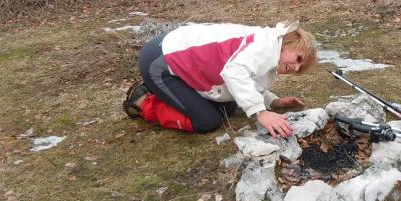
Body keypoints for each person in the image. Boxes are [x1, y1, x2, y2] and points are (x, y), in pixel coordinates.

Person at [123, 21, 317, 138]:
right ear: (288, 42)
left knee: (228, 107)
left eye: (299, 69)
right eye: (298, 58)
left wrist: (272, 101)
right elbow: (235, 72)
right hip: (160, 61)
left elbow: (248, 78)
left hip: (176, 58)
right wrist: (261, 112)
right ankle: (143, 101)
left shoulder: (268, 47)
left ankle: (170, 92)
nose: (295, 67)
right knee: (206, 122)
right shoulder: (266, 47)